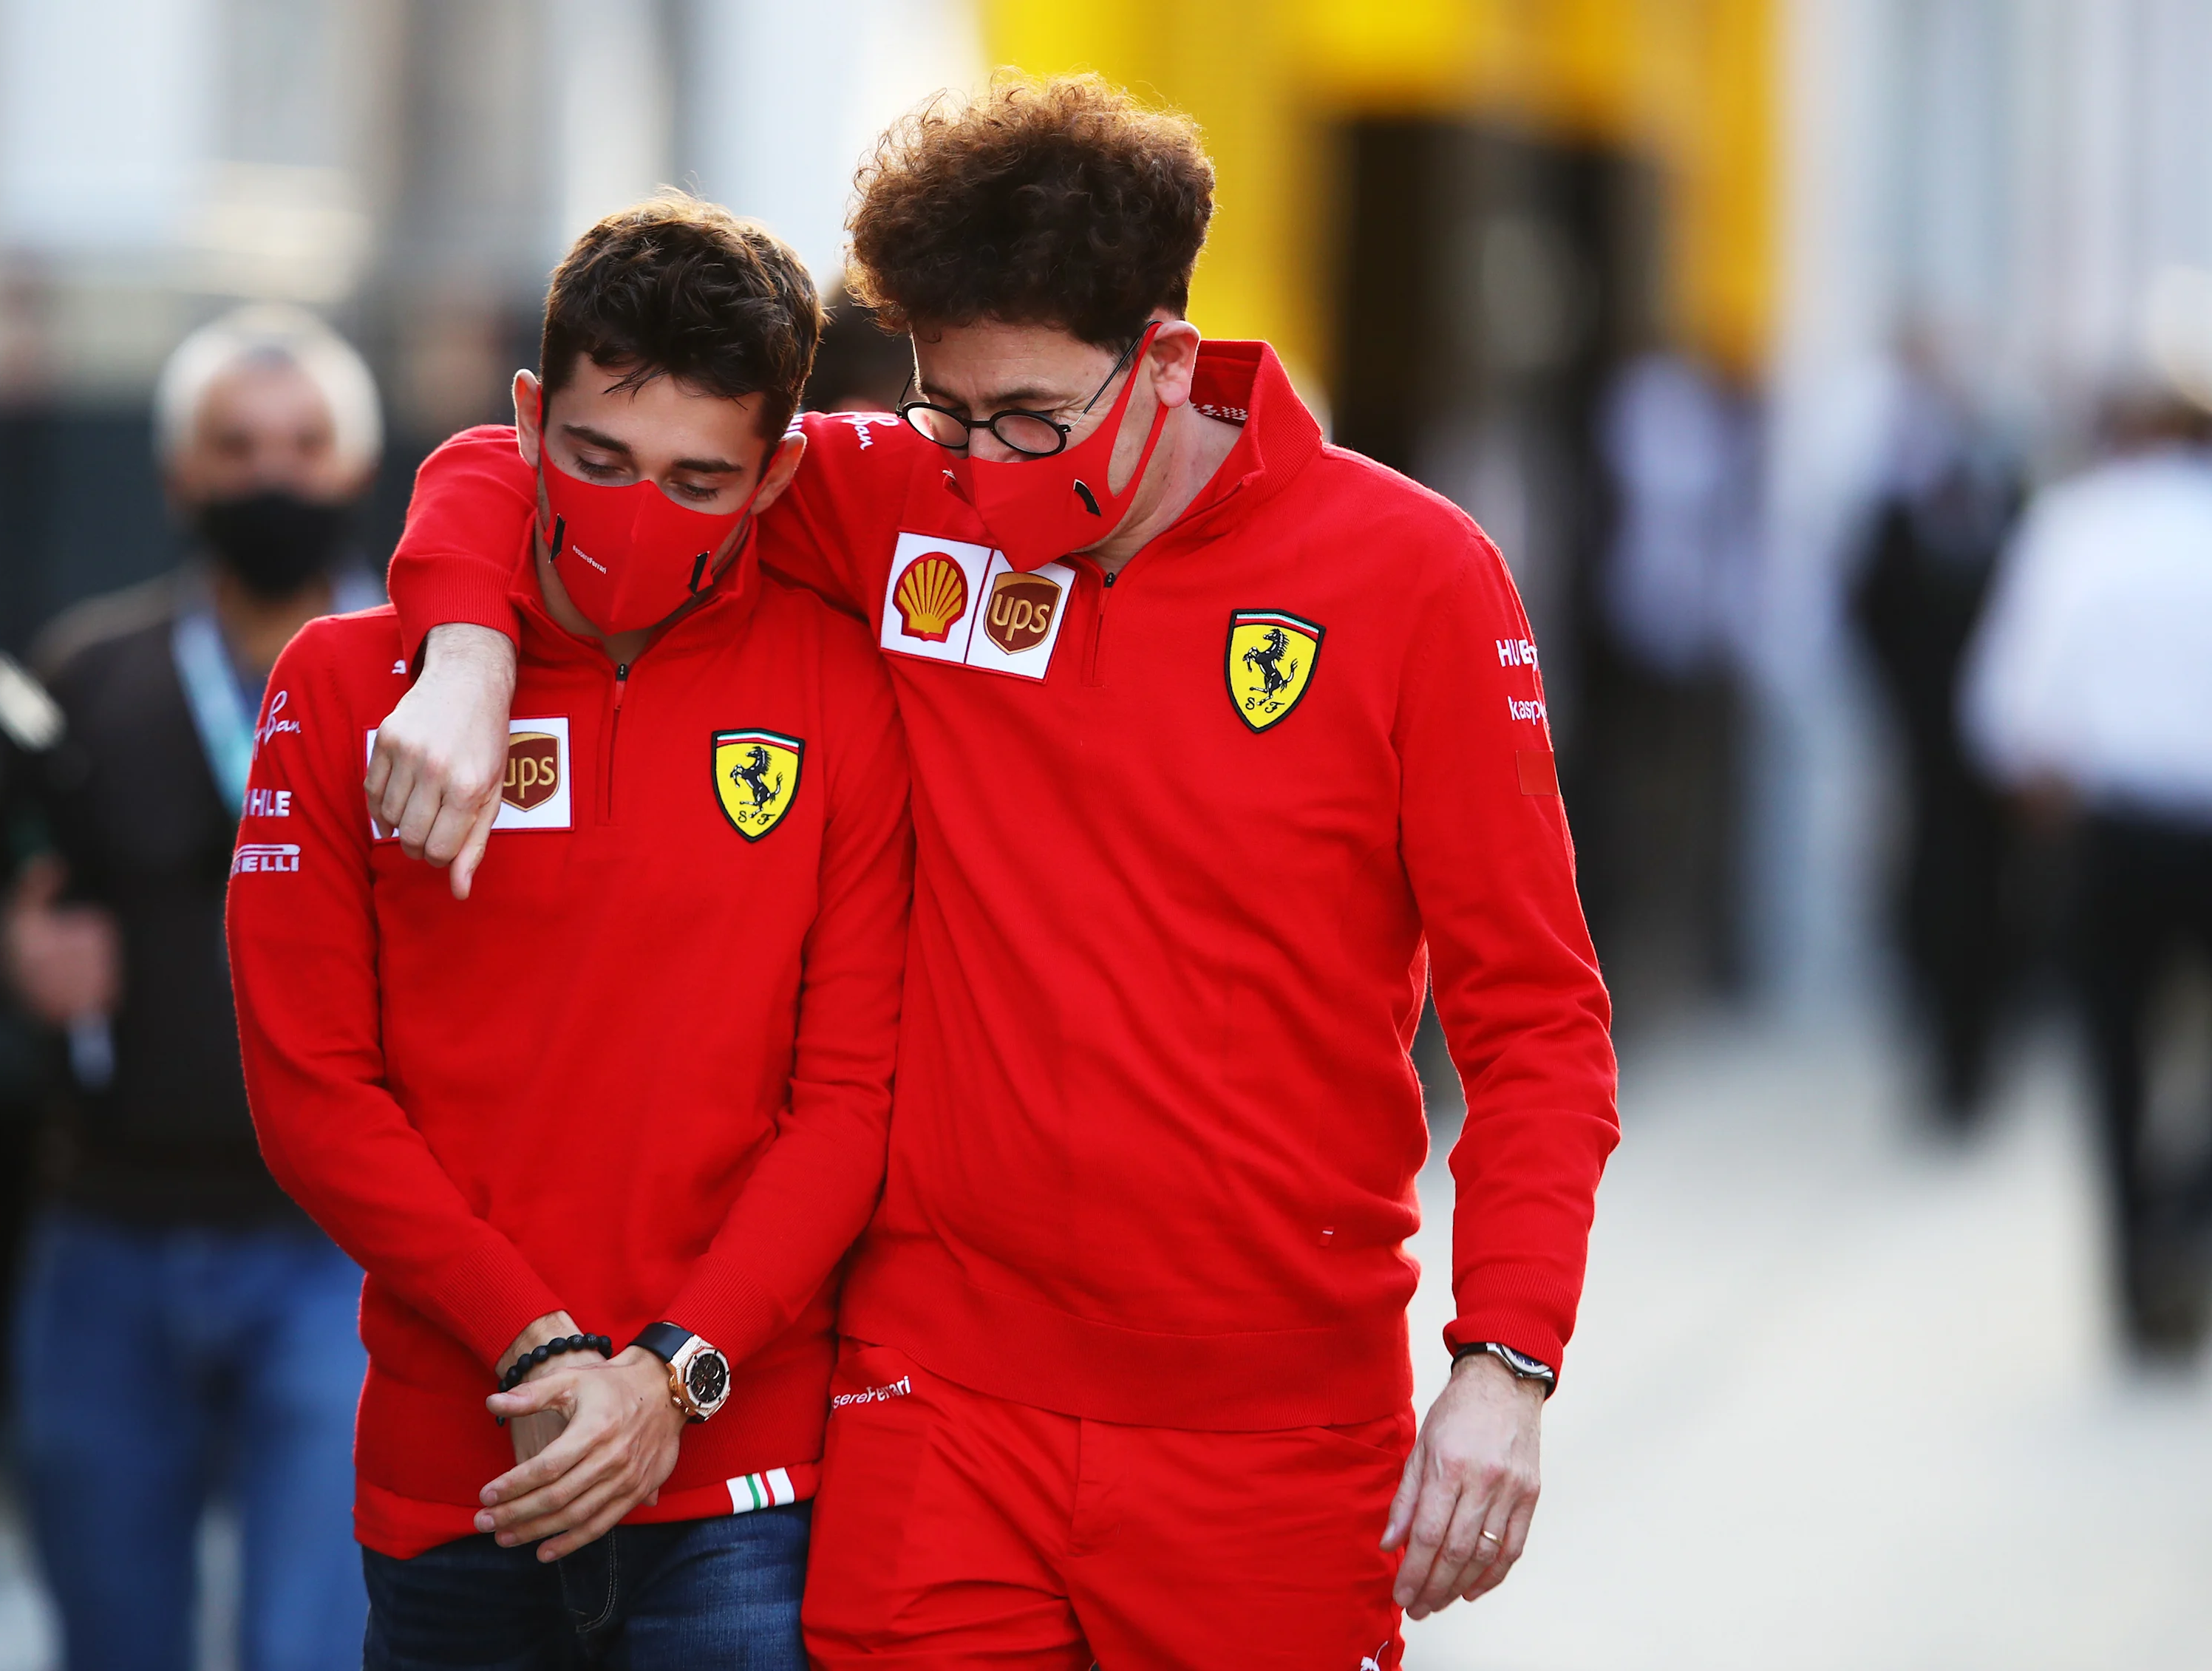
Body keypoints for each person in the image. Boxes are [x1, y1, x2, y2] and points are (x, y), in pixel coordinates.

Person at [370, 78, 1618, 1670]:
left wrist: (1505, 1361)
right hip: (937, 1406)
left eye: (1027, 419)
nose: (975, 466)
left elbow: (1538, 1024)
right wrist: (468, 653)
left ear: (1163, 361)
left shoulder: (1415, 575)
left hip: (1274, 1433)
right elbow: (530, 459)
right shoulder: (908, 500)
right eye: (941, 410)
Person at [225, 198, 912, 1670]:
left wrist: (673, 1373)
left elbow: (849, 1106)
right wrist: (531, 1340)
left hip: (738, 1485)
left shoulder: (843, 688)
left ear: (776, 474)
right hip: (457, 1472)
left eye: (697, 479)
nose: (636, 512)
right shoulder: (345, 688)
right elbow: (310, 1092)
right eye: (597, 461)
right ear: (529, 422)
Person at [0, 304, 384, 1671]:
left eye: (303, 443)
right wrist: (12, 953)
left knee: (313, 1644)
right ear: (179, 475)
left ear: (357, 467)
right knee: (113, 1635)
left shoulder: (431, 671)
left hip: (344, 1250)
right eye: (235, 446)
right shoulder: (90, 675)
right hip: (109, 1241)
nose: (272, 475)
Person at [1962, 384, 2212, 1355]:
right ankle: (2182, 1211)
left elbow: (2007, 710)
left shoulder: (2075, 529)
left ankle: (2133, 1262)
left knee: (2114, 1058)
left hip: (2111, 830)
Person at [1850, 343, 2025, 1121]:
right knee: (1931, 885)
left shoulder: (2006, 503)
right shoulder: (1895, 514)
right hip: (1926, 742)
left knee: (1989, 893)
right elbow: (1864, 613)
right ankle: (1939, 1047)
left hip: (1993, 754)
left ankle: (1977, 1049)